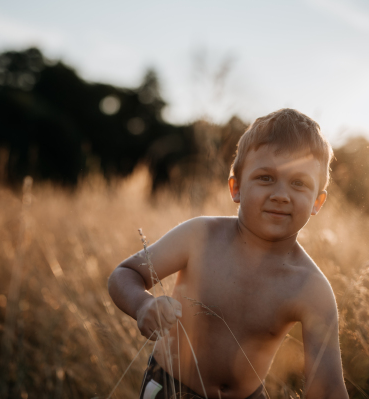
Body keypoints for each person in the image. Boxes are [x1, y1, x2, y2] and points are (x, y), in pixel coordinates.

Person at [108, 108, 349, 399]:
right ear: (236, 187)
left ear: (317, 201)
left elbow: (329, 388)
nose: (281, 194)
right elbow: (125, 274)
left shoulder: (311, 289)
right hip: (170, 388)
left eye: (299, 183)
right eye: (265, 177)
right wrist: (142, 305)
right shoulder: (200, 237)